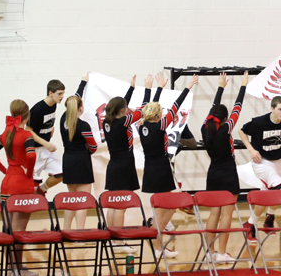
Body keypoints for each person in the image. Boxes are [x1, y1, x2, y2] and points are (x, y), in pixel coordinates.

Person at [140, 75, 197, 259]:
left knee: (168, 205)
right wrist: (187, 87)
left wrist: (156, 88)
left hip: (150, 167)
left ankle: (159, 241)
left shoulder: (142, 125)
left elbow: (146, 107)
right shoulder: (161, 125)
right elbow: (176, 107)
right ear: (159, 116)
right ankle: (157, 245)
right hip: (162, 167)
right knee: (164, 208)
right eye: (161, 114)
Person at [239, 94, 281, 242]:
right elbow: (241, 131)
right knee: (279, 188)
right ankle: (258, 221)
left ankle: (260, 220)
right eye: (280, 109)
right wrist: (250, 149)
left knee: (269, 195)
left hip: (277, 161)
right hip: (261, 162)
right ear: (272, 109)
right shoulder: (259, 122)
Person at [0, 100, 39, 276]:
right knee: (19, 231)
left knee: (9, 229)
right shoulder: (26, 135)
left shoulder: (6, 133)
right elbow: (31, 155)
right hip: (22, 183)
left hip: (7, 183)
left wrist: (5, 170)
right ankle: (18, 269)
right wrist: (29, 172)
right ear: (27, 116)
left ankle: (9, 268)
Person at [202, 72, 248, 262]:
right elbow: (238, 107)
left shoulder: (205, 127)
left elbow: (213, 109)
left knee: (214, 214)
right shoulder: (226, 128)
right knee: (227, 214)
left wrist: (220, 87)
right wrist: (243, 85)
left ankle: (209, 253)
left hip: (213, 172)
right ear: (225, 118)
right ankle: (221, 253)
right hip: (228, 172)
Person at [102, 75, 153, 227]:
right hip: (124, 165)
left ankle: (112, 235)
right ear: (123, 110)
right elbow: (144, 109)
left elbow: (121, 105)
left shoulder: (107, 121)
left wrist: (132, 87)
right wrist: (148, 89)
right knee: (121, 205)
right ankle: (119, 239)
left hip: (113, 165)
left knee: (113, 203)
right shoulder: (124, 121)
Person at [60, 77, 98, 231]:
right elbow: (93, 146)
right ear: (81, 108)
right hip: (82, 161)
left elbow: (75, 98)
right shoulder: (83, 125)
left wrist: (82, 82)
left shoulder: (63, 119)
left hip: (68, 160)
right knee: (83, 200)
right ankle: (80, 233)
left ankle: (66, 230)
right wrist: (87, 151)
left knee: (71, 199)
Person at [29, 80, 66, 195]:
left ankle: (42, 189)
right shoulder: (37, 109)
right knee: (30, 183)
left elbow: (47, 121)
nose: (62, 96)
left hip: (45, 149)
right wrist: (45, 143)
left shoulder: (53, 105)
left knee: (61, 173)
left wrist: (51, 129)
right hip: (35, 150)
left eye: (63, 93)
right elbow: (28, 131)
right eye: (59, 94)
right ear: (50, 93)